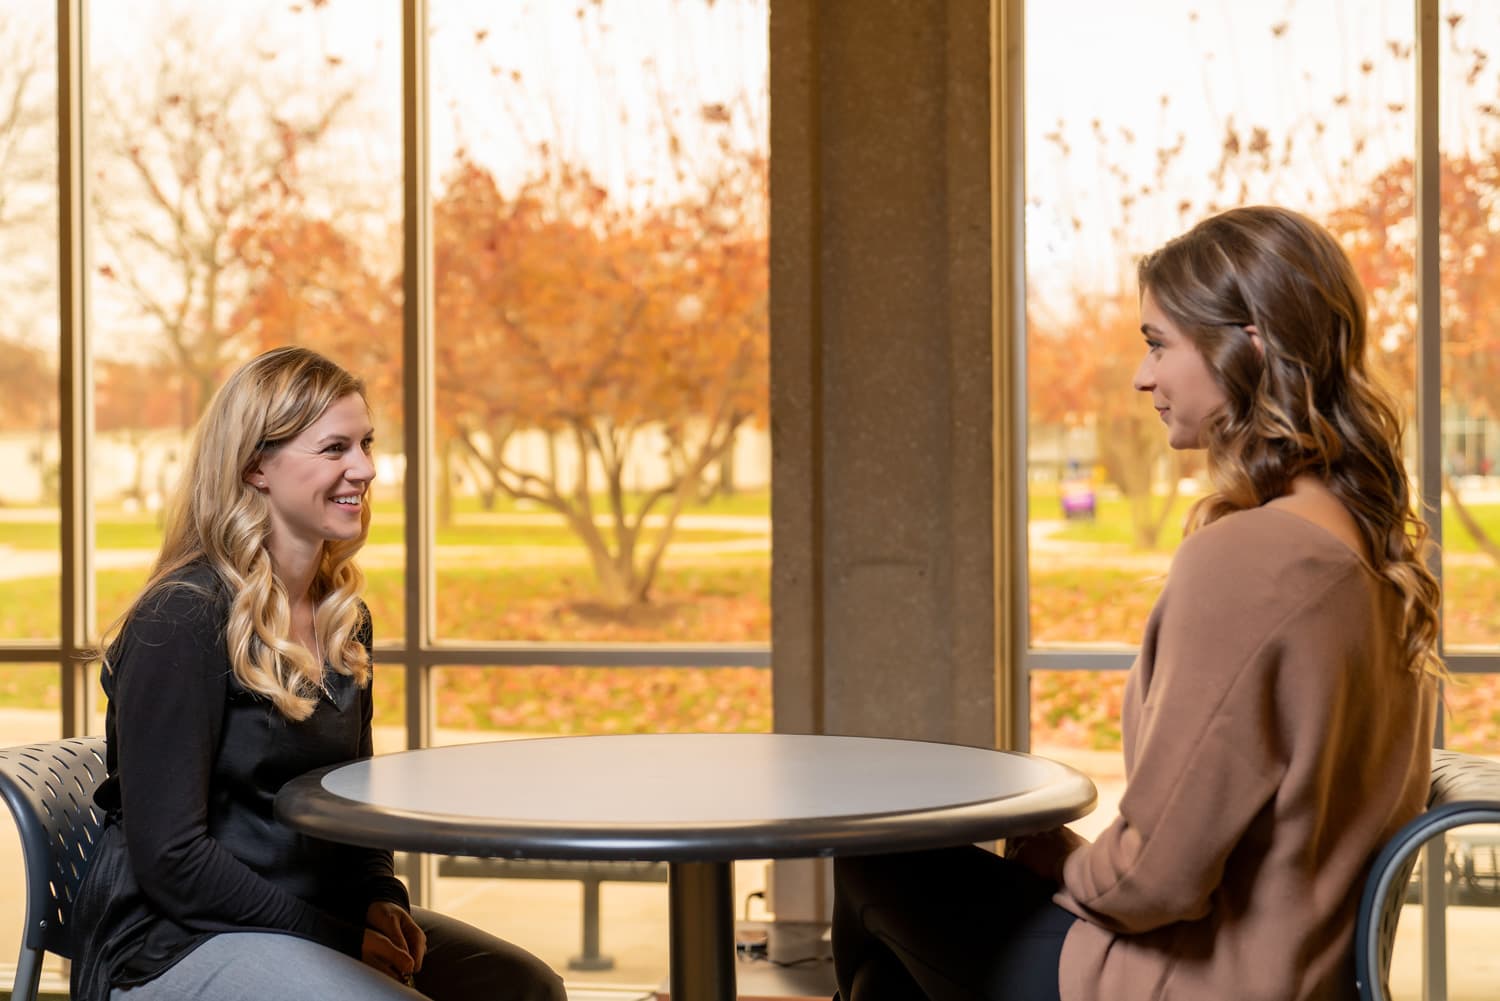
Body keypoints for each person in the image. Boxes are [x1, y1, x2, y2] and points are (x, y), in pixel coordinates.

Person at [831, 206, 1442, 1001]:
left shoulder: (1252, 557)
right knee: (892, 970)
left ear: (1247, 343)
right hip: (1297, 974)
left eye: (1158, 344)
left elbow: (1157, 880)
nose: (1141, 377)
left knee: (873, 862)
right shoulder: (1368, 547)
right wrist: (1092, 866)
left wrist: (1067, 863)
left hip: (1188, 982)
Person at [70, 347, 566, 1001]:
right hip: (172, 943)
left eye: (365, 443)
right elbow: (172, 861)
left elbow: (348, 803)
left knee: (523, 986)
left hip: (309, 915)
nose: (364, 468)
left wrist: (380, 896)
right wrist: (339, 938)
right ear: (255, 465)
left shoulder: (342, 618)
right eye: (335, 448)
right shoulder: (183, 618)